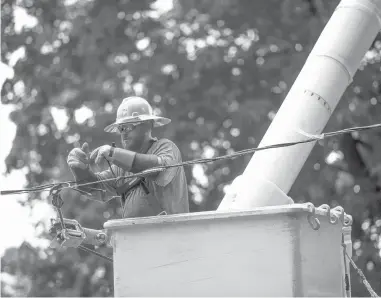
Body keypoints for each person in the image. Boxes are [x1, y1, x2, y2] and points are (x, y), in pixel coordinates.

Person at [60, 96, 189, 247]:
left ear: (148, 124)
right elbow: (95, 188)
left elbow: (159, 169)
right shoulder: (121, 168)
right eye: (121, 128)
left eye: (129, 127)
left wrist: (114, 153)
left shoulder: (166, 148)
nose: (124, 133)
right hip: (137, 248)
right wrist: (81, 171)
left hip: (172, 242)